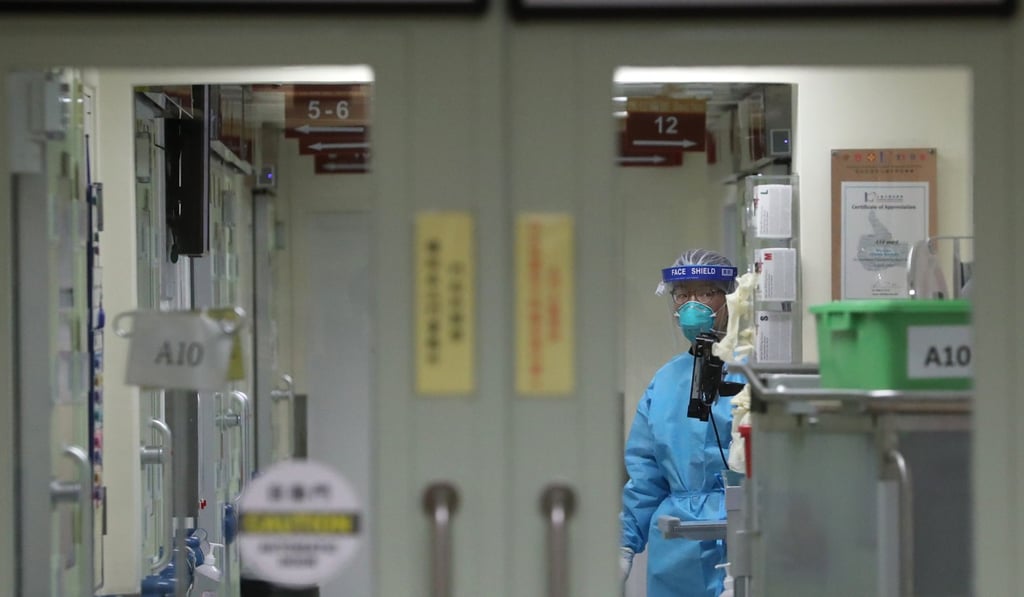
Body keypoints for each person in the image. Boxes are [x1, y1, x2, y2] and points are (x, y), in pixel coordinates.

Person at [619, 248, 745, 597]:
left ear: (729, 296)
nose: (693, 305)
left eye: (706, 292)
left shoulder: (752, 373)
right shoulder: (666, 381)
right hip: (675, 547)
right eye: (682, 294)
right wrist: (624, 544)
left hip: (740, 534)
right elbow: (645, 474)